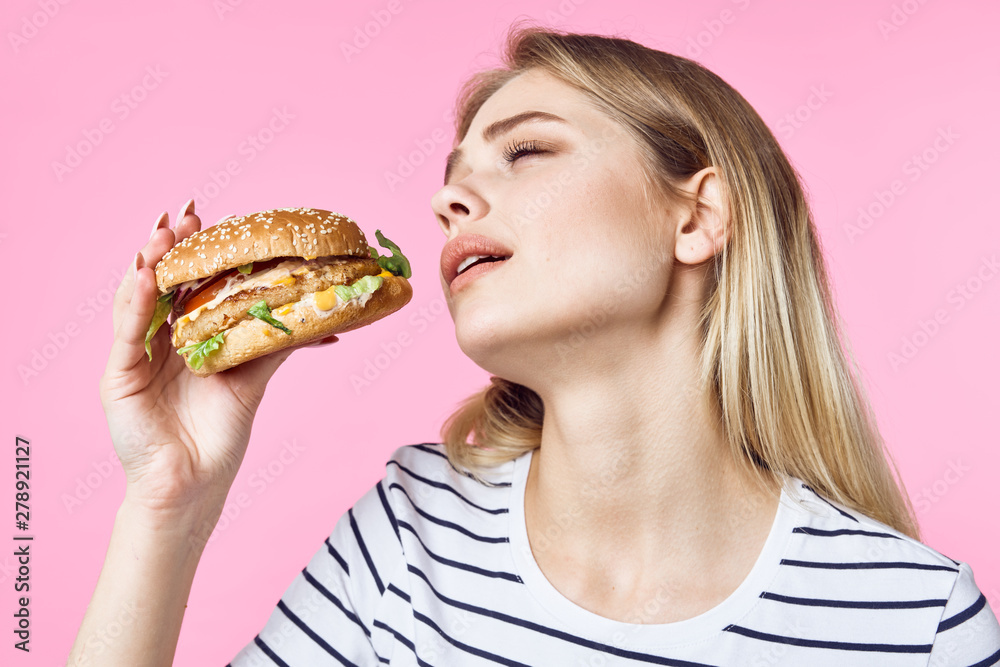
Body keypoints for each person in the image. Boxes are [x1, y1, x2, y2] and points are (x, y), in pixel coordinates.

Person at [69, 23, 1000, 667]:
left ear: (697, 216)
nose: (447, 202)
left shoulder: (915, 619)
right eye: (452, 178)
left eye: (526, 151)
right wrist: (168, 498)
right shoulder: (408, 533)